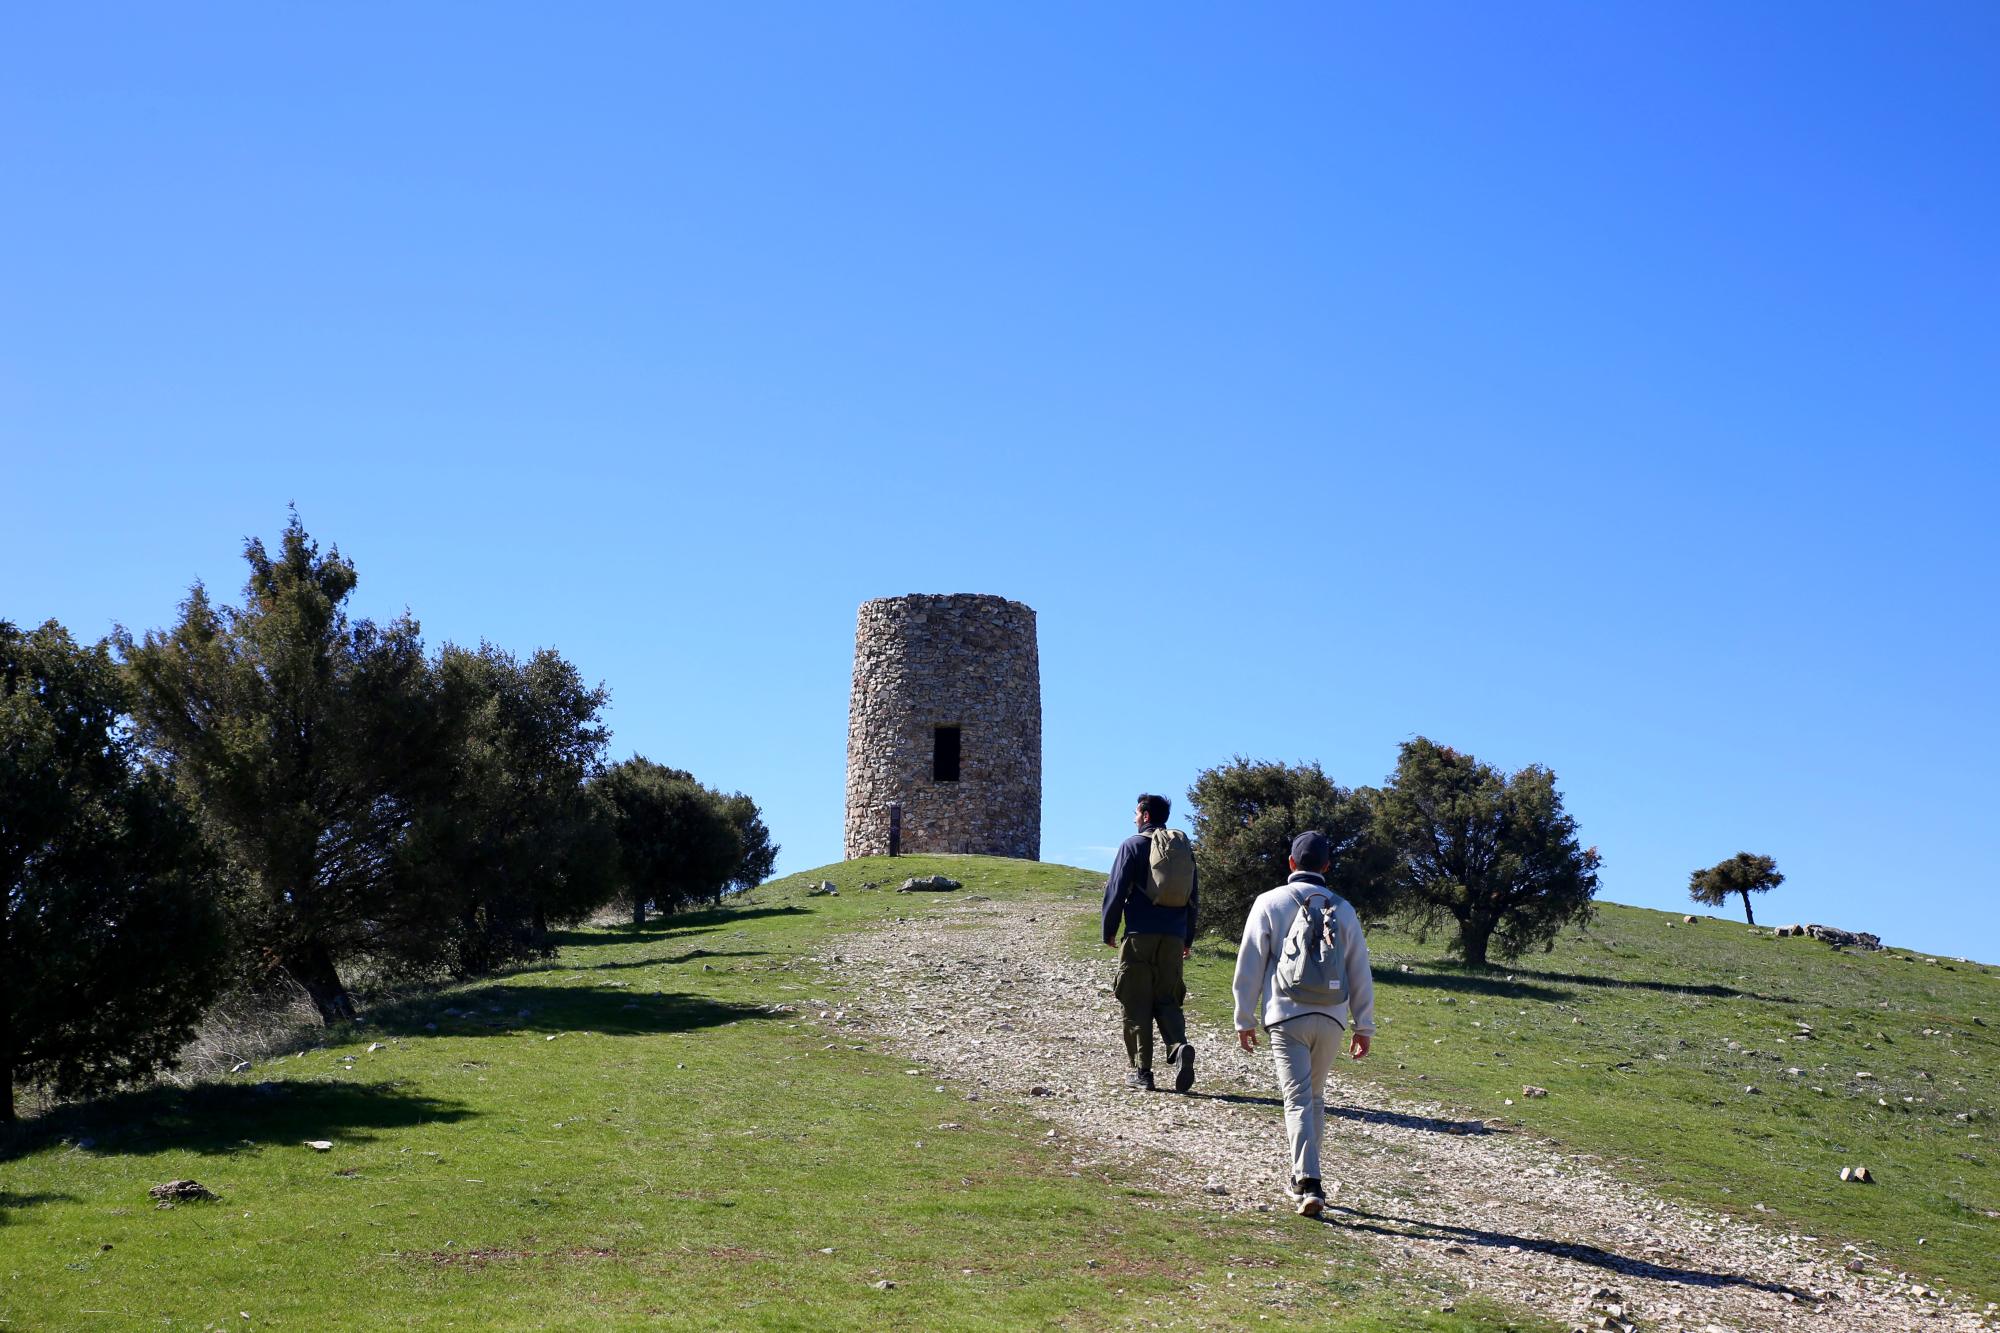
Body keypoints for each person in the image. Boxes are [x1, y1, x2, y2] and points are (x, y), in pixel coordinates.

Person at [1230, 830, 1375, 1217]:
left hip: (1286, 1016)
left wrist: (1244, 1017)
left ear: (1291, 863)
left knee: (1296, 1099)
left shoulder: (1269, 902)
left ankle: (1309, 1181)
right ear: (1327, 866)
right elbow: (1359, 970)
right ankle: (1304, 1174)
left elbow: (1250, 962)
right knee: (1314, 1098)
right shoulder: (1343, 909)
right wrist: (1364, 1025)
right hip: (1331, 1017)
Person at [1101, 793, 1199, 1093]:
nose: (1134, 818)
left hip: (1140, 935)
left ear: (1144, 815)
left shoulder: (1132, 845)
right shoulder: (1182, 850)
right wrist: (1187, 937)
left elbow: (1116, 890)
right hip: (1172, 937)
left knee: (1136, 1001)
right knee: (1167, 998)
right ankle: (1178, 1046)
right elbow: (1193, 897)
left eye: (1135, 813)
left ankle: (1141, 1072)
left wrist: (1109, 929)